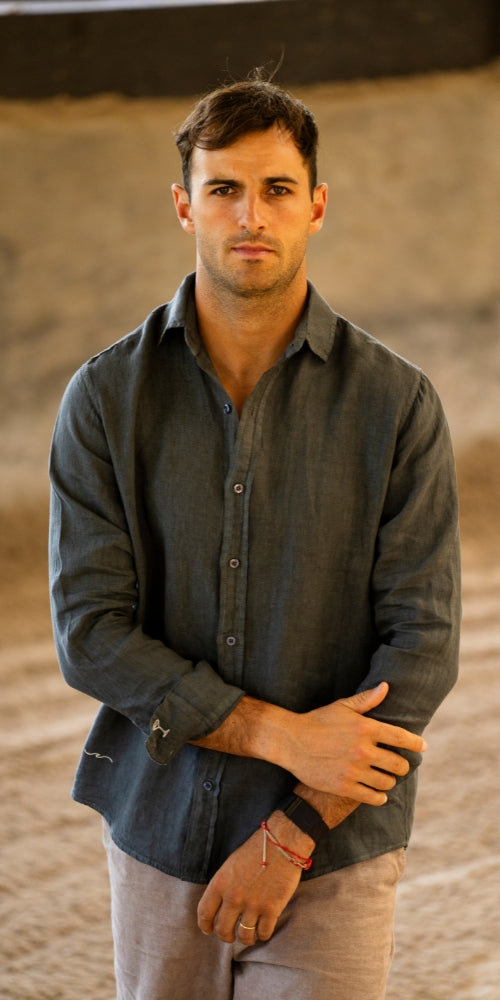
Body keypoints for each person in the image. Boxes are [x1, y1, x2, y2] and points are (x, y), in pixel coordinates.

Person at [49, 75, 461, 1000]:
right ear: (183, 205)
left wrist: (293, 833)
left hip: (335, 847)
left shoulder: (397, 405)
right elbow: (91, 635)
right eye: (224, 189)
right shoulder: (106, 399)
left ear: (316, 204)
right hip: (158, 834)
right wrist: (281, 736)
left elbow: (421, 650)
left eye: (277, 189)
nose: (250, 216)